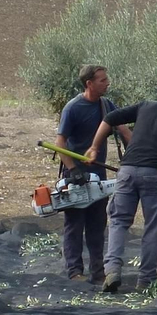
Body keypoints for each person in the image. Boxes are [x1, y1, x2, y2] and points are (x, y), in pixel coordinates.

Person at [86, 78, 157, 293]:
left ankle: (112, 270)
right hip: (155, 176)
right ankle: (146, 279)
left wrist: (94, 148)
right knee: (153, 227)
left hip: (126, 172)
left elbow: (110, 118)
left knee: (119, 222)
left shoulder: (146, 106)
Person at [52, 64, 132, 284]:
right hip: (75, 178)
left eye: (106, 79)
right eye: (102, 80)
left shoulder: (107, 106)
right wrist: (73, 169)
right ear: (89, 83)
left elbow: (124, 132)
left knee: (98, 225)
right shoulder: (73, 108)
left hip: (99, 178)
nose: (107, 83)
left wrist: (140, 154)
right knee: (75, 225)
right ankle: (75, 272)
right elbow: (60, 143)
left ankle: (98, 272)